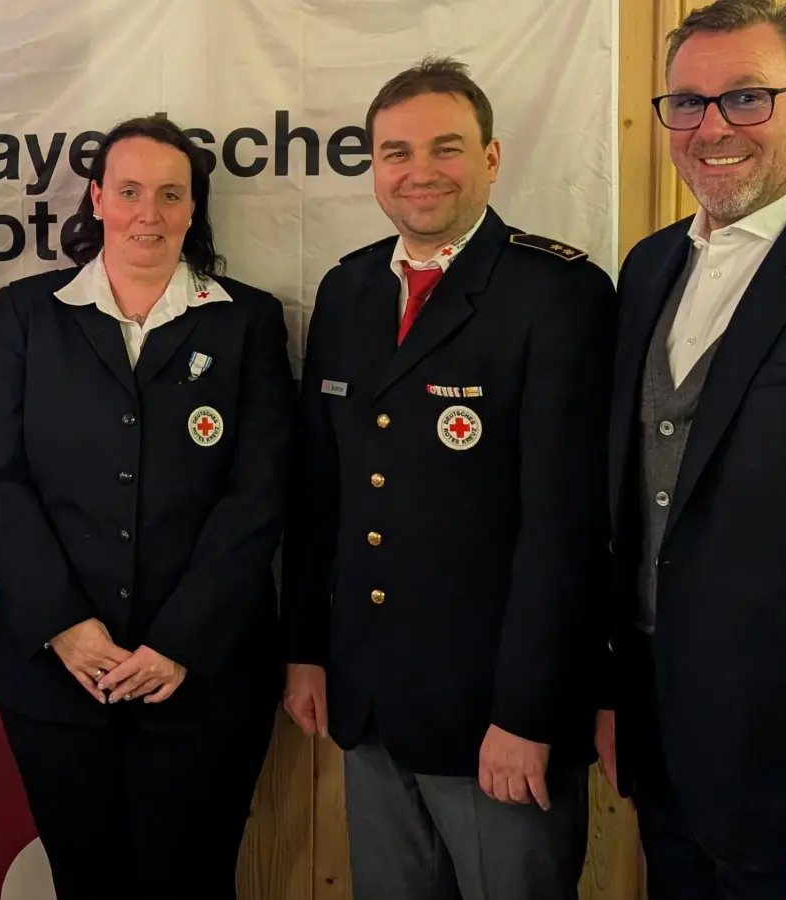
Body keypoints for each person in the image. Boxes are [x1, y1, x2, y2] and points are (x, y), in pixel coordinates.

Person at [280, 56, 616, 900]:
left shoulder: (557, 293)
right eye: (395, 152)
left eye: (445, 148)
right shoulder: (349, 287)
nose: (418, 171)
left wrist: (527, 714)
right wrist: (306, 653)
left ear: (492, 158)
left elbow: (564, 528)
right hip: (369, 703)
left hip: (493, 718)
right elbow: (323, 491)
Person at [0, 113, 292, 899]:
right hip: (56, 675)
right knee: (87, 882)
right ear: (98, 200)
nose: (149, 212)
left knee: (194, 881)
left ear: (191, 210)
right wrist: (65, 628)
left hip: (202, 678)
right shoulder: (30, 312)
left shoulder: (246, 320)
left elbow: (258, 495)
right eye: (131, 191)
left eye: (170, 195)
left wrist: (180, 641)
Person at [600, 2, 786, 897]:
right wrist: (613, 698)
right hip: (664, 750)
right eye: (687, 102)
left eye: (746, 98)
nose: (710, 128)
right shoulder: (648, 265)